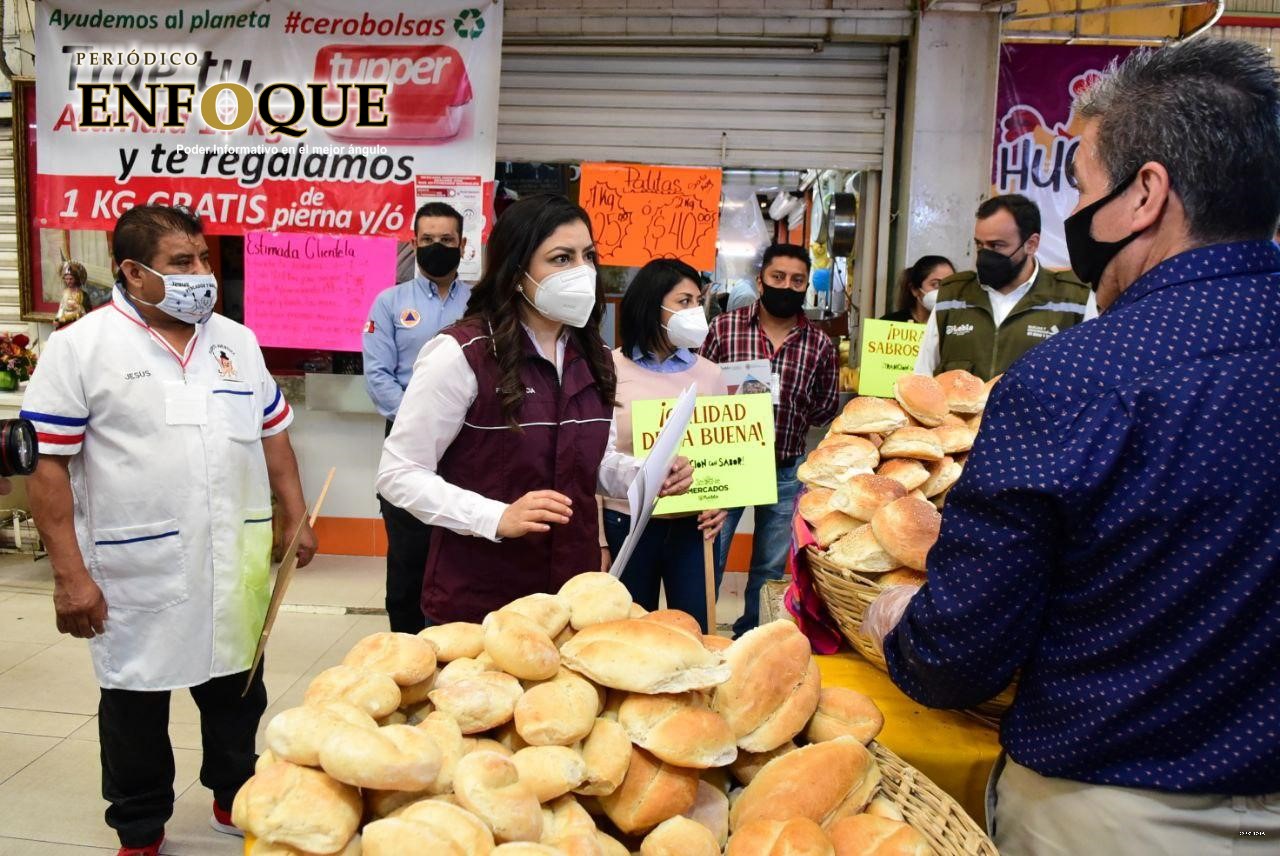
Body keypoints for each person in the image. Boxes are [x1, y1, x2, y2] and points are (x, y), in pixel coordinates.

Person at [864, 39, 1280, 854]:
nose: (1076, 219)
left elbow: (960, 655)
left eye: (1084, 189)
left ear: (1145, 194)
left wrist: (899, 625)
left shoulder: (1076, 380)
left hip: (1113, 815)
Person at [22, 205, 317, 856]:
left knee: (239, 692)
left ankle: (234, 793)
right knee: (136, 704)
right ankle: (139, 826)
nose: (201, 275)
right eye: (182, 263)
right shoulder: (82, 348)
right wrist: (70, 576)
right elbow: (48, 467)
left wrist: (294, 515)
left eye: (205, 259)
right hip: (136, 567)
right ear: (132, 272)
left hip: (233, 562)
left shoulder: (234, 341)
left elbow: (274, 434)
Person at [376, 195, 693, 625]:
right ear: (517, 269)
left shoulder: (595, 355)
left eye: (588, 256)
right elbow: (398, 474)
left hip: (569, 597)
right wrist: (497, 516)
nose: (582, 272)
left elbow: (588, 461)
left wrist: (644, 475)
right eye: (561, 258)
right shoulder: (460, 354)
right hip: (481, 601)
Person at [701, 243, 839, 637]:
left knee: (769, 565)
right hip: (726, 464)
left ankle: (751, 636)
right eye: (778, 277)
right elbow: (701, 384)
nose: (787, 286)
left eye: (797, 280)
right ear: (761, 280)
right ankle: (699, 631)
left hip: (784, 468)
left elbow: (825, 407)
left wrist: (787, 422)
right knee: (711, 554)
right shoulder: (724, 328)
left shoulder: (820, 344)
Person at [362, 202, 472, 633]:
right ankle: (406, 647)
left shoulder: (482, 303)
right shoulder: (389, 303)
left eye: (446, 240)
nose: (437, 247)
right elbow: (378, 376)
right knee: (409, 553)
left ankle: (458, 644)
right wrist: (423, 422)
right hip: (408, 441)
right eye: (427, 240)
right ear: (413, 243)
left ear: (462, 246)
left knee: (463, 546)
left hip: (470, 442)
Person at [603, 258, 729, 631]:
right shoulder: (609, 369)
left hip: (692, 526)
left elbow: (725, 453)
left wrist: (721, 500)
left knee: (693, 630)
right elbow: (594, 456)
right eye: (684, 301)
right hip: (625, 520)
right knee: (629, 632)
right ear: (651, 304)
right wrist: (597, 538)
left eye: (697, 301)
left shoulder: (710, 374)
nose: (695, 311)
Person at [914, 194, 1096, 380]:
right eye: (979, 245)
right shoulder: (952, 297)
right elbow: (922, 377)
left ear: (1031, 244)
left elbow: (1092, 380)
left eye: (996, 246)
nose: (984, 255)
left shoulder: (1074, 300)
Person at [881, 255, 954, 323]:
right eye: (936, 284)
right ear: (914, 290)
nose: (945, 290)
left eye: (950, 284)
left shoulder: (957, 327)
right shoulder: (889, 323)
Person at [54, 260, 89, 328]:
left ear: (76, 279)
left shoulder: (83, 295)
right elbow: (61, 309)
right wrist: (56, 320)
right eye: (66, 279)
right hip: (65, 323)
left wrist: (77, 306)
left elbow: (87, 313)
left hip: (77, 324)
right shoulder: (65, 293)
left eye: (71, 279)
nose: (68, 281)